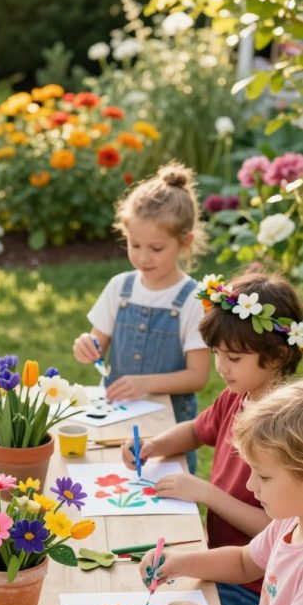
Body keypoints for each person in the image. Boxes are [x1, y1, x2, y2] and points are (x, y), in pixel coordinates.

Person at [121, 270, 302, 605]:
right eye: (216, 353)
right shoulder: (237, 397)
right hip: (228, 559)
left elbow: (274, 528)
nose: (221, 367)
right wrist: (155, 445)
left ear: (278, 355)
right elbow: (196, 430)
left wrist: (206, 494)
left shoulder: (284, 431)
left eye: (233, 358)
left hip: (257, 584)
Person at [138, 377, 303, 605]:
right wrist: (183, 563)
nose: (250, 485)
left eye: (264, 476)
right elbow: (244, 562)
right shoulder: (289, 522)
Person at [73, 162, 210, 472]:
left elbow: (198, 377)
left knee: (166, 489)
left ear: (184, 242)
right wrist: (86, 346)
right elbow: (97, 343)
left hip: (170, 429)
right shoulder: (120, 287)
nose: (143, 257)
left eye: (156, 248)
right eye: (135, 245)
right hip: (116, 419)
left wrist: (145, 383)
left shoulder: (193, 299)